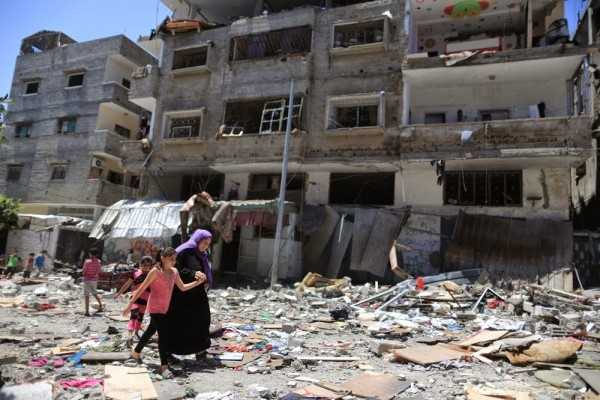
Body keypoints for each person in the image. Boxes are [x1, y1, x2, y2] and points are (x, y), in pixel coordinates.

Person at [123, 247, 205, 377]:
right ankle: (163, 366)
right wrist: (129, 306)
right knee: (163, 335)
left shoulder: (174, 272)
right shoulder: (155, 271)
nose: (173, 261)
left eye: (175, 259)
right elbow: (141, 288)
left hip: (165, 308)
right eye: (171, 259)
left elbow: (183, 287)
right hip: (155, 308)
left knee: (150, 330)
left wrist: (197, 282)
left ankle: (136, 353)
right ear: (163, 258)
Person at [167, 229, 214, 359]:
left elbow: (205, 269)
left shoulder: (202, 254)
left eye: (208, 244)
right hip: (182, 294)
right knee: (181, 322)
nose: (206, 246)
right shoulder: (184, 251)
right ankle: (170, 352)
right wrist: (193, 273)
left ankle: (200, 350)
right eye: (204, 243)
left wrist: (204, 280)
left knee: (202, 320)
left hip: (197, 293)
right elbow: (175, 269)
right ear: (197, 240)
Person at [115, 255, 153, 347]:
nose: (146, 267)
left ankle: (136, 333)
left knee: (140, 317)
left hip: (145, 299)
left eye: (148, 265)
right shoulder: (135, 273)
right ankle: (130, 336)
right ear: (140, 264)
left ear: (150, 266)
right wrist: (119, 293)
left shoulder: (152, 275)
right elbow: (127, 284)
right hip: (134, 298)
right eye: (144, 265)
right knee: (133, 316)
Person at [82, 248, 104, 316]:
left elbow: (84, 271)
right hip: (94, 280)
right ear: (97, 254)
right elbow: (99, 271)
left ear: (90, 254)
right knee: (94, 293)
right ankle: (100, 306)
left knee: (87, 295)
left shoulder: (87, 262)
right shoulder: (99, 262)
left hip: (87, 280)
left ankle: (87, 312)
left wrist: (84, 275)